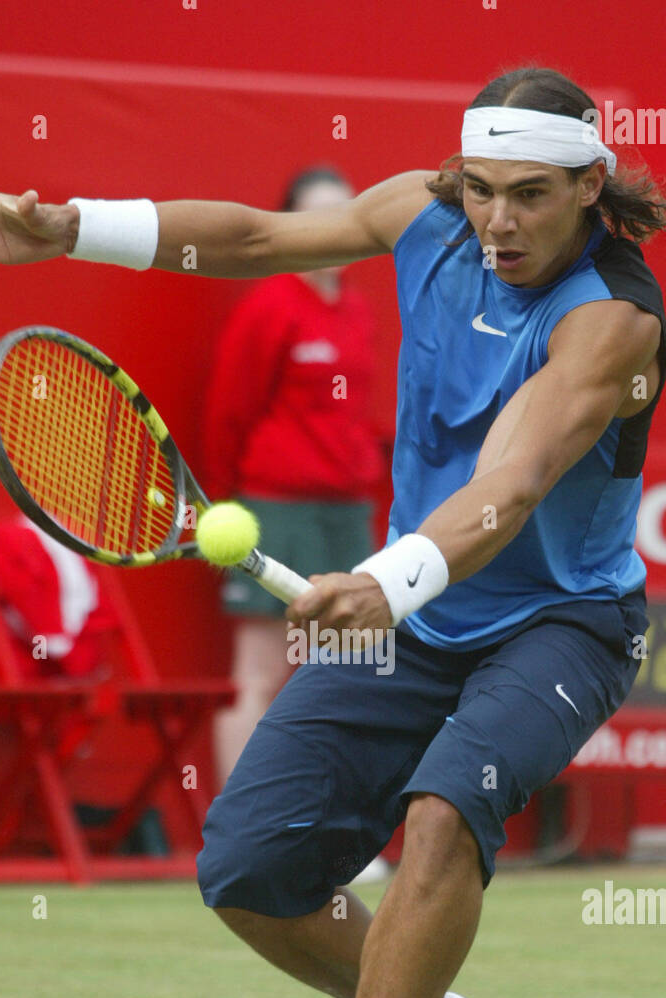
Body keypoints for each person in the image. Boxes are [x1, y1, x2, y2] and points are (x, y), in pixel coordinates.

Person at [0, 63, 666, 998]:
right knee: (249, 865)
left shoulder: (612, 320)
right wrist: (71, 228)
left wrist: (382, 578)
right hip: (418, 618)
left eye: (530, 194)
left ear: (590, 186)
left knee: (439, 814)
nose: (499, 220)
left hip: (561, 623)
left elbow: (509, 486)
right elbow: (258, 236)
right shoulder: (426, 219)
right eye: (480, 190)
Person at [203, 167, 386, 882]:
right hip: (271, 510)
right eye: (317, 218)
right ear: (287, 228)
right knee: (259, 675)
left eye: (347, 216)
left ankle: (334, 838)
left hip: (347, 512)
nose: (333, 233)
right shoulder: (270, 306)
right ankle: (243, 837)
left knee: (348, 675)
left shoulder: (356, 309)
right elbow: (228, 413)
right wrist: (227, 504)